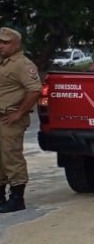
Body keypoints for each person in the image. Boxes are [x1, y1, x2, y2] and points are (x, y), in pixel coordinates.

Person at [0, 27, 43, 213]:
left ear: (16, 44)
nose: (1, 46)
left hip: (10, 119)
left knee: (11, 156)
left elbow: (34, 89)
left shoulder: (22, 64)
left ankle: (17, 198)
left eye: (5, 43)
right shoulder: (3, 63)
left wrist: (19, 113)